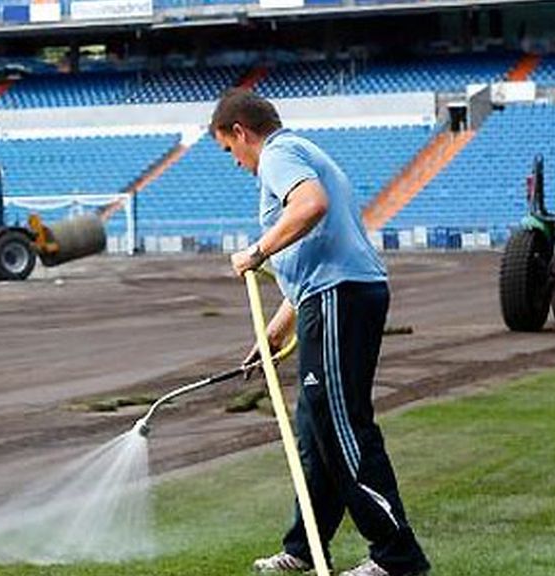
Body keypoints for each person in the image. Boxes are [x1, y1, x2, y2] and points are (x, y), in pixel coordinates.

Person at [213, 88, 430, 576]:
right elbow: (314, 255)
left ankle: (397, 557)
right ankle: (305, 547)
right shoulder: (302, 152)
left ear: (241, 133)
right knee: (316, 431)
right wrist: (273, 332)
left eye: (230, 149)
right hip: (329, 295)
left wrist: (256, 252)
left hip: (340, 298)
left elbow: (310, 206)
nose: (235, 161)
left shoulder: (279, 154)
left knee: (342, 427)